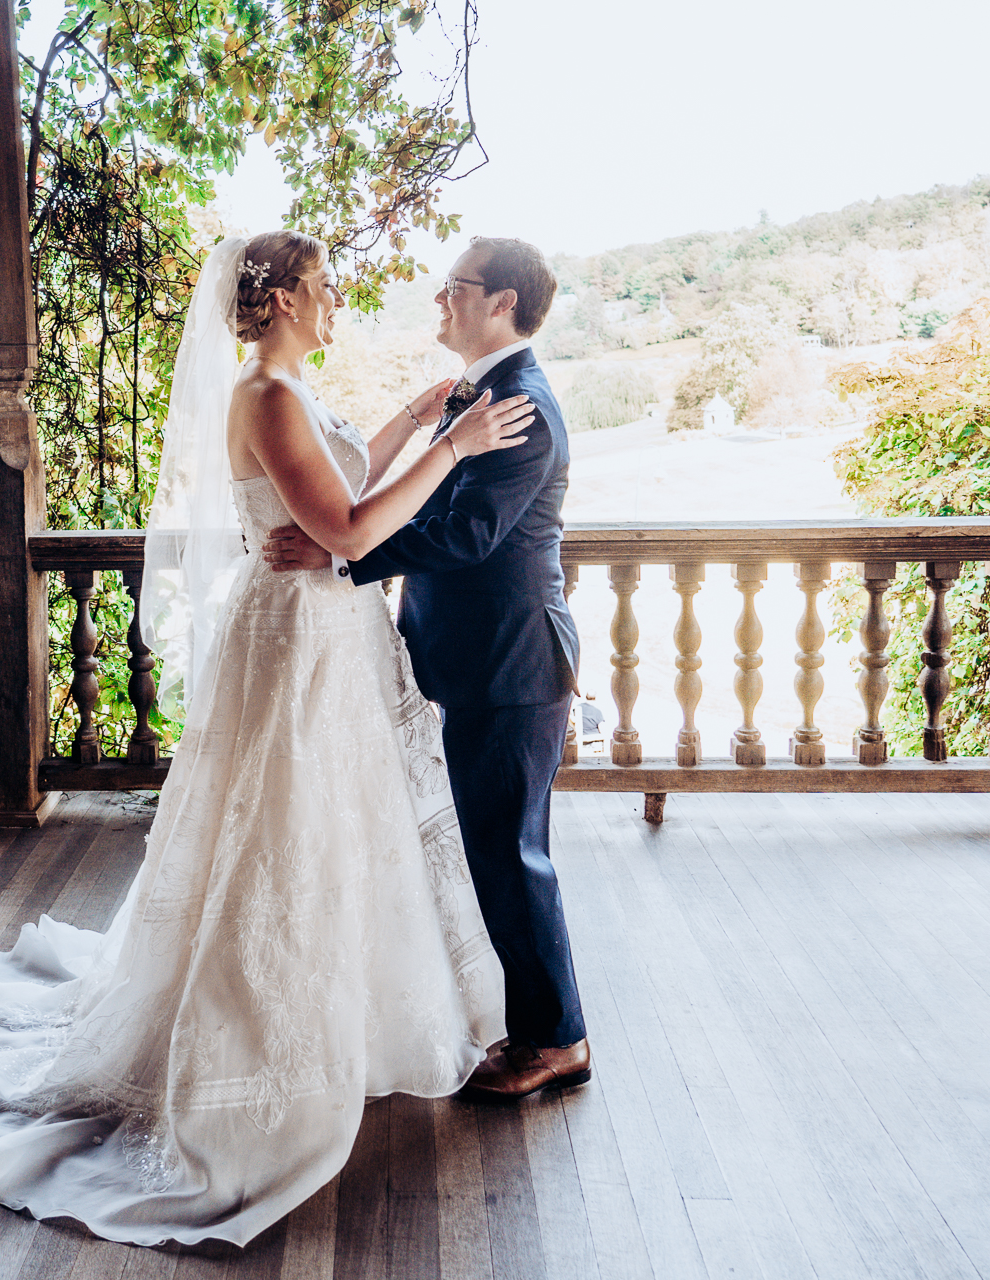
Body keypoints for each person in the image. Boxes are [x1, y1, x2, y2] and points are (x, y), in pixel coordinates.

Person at [0, 230, 534, 1247]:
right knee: (280, 833)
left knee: (335, 829)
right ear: (283, 299)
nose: (337, 300)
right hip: (296, 635)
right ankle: (254, 1044)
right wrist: (455, 447)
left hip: (331, 631)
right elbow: (350, 530)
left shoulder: (290, 388)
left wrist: (417, 419)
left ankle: (351, 1021)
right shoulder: (264, 394)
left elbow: (347, 478)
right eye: (324, 286)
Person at [264, 236, 592, 1101]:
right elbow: (428, 501)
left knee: (511, 854)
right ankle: (530, 1023)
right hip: (473, 658)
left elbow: (468, 534)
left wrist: (343, 555)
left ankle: (557, 1041)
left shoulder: (519, 406)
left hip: (511, 662)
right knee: (488, 848)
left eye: (456, 285)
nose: (439, 298)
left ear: (504, 303)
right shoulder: (477, 394)